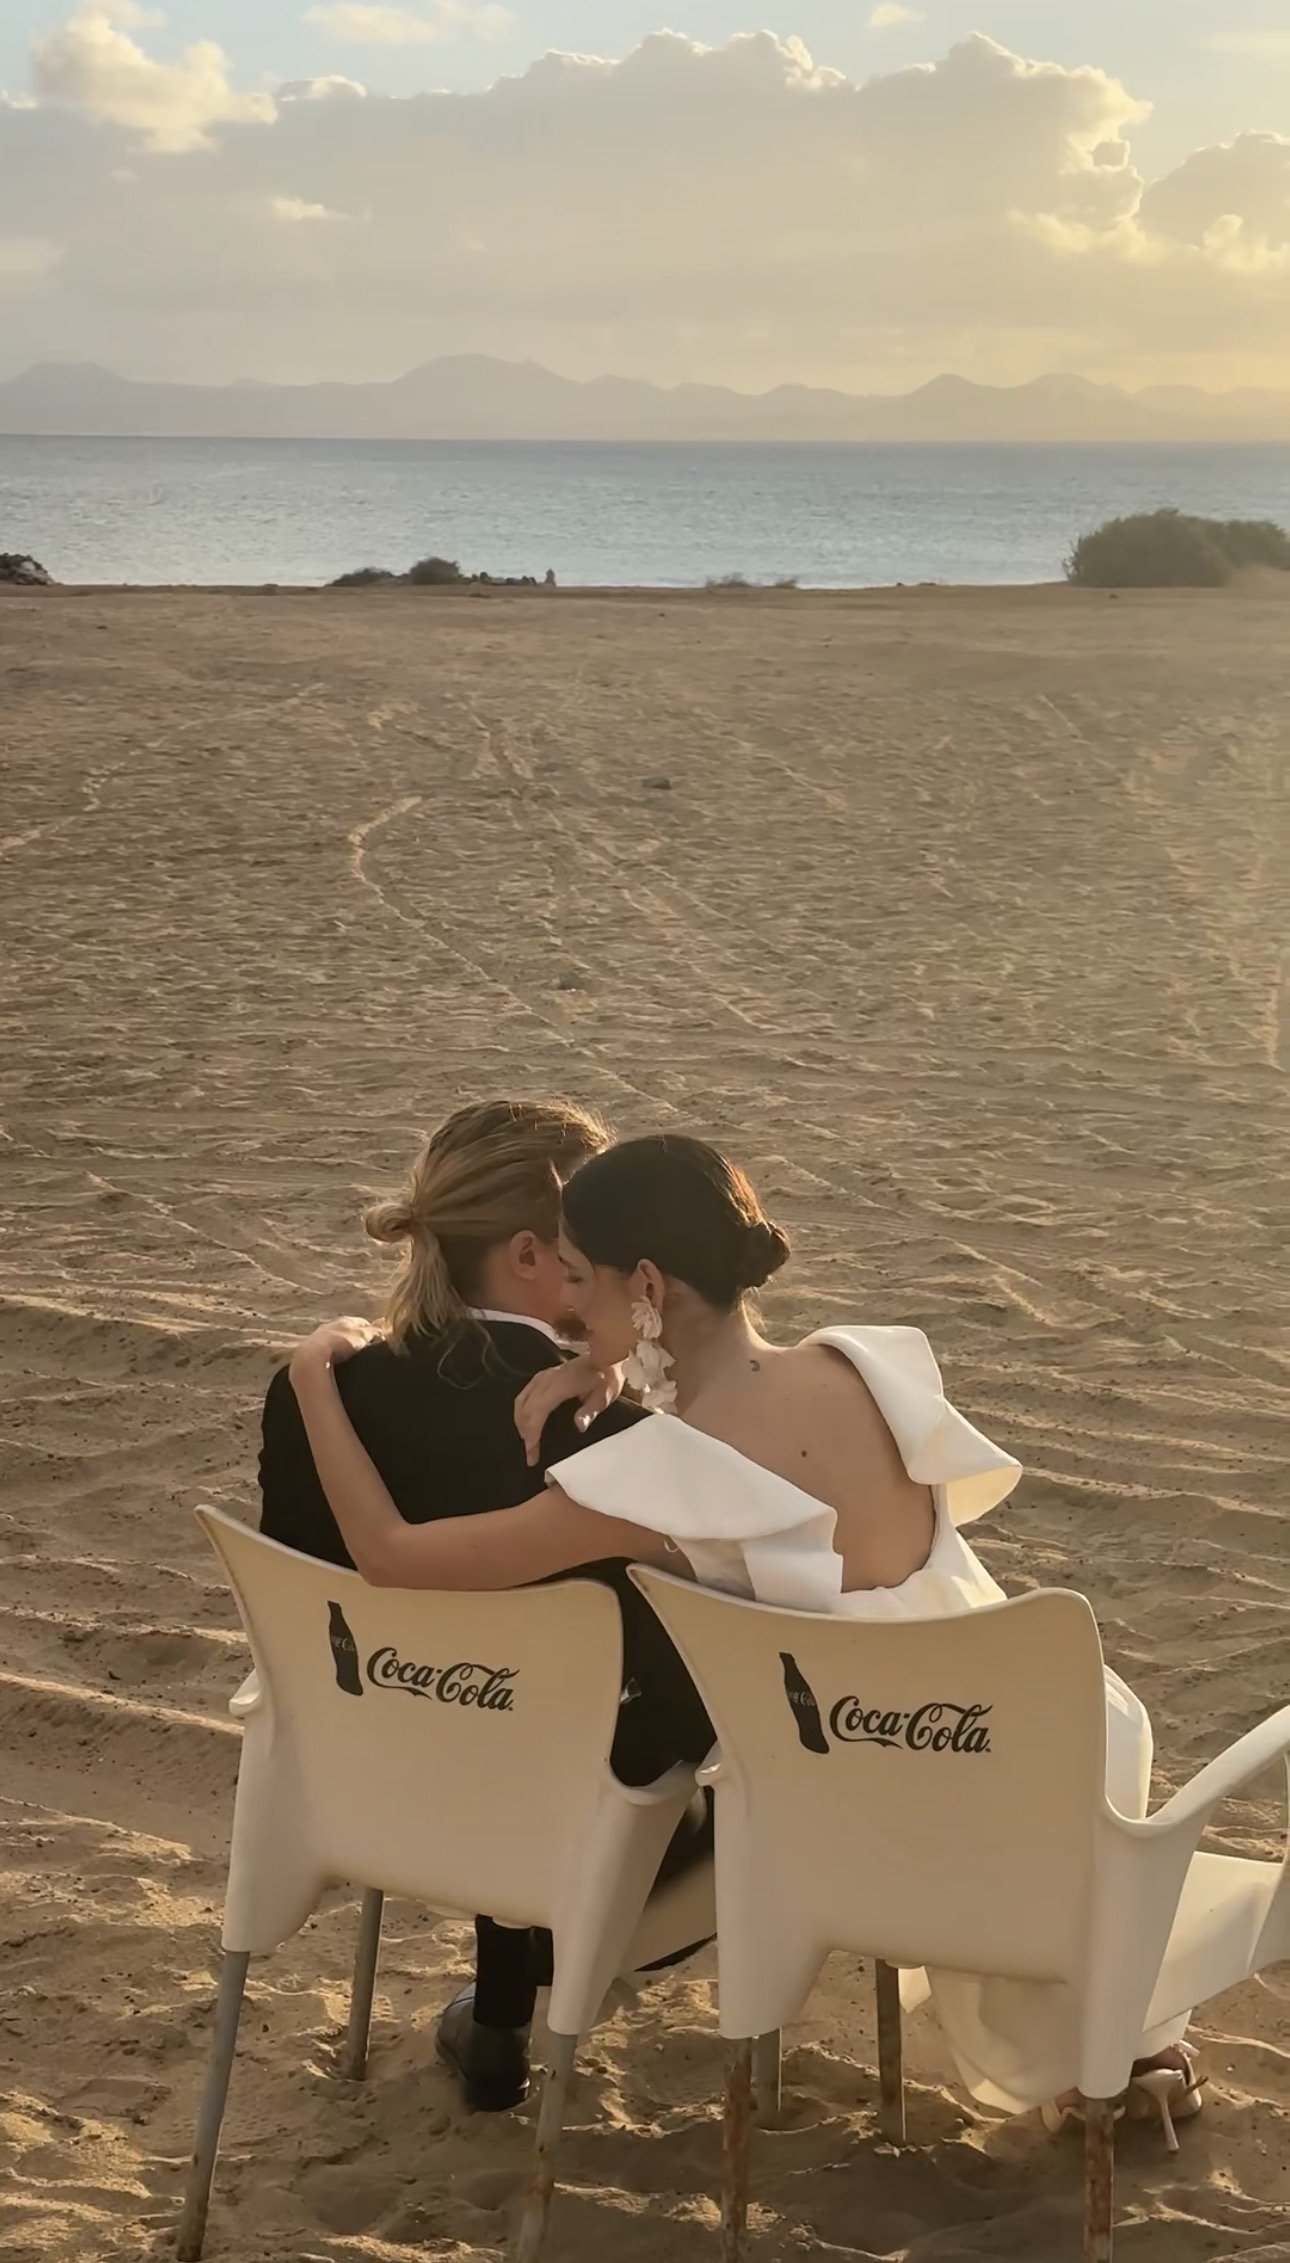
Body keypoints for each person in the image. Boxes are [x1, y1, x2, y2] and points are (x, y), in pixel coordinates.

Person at [287, 1131, 1202, 2142]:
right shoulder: (865, 1367)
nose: (567, 1309)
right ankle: (1127, 2044)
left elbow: (393, 1557)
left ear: (646, 1284)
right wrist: (611, 1364)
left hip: (885, 1804)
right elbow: (753, 1436)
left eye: (580, 1280)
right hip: (1052, 1741)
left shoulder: (650, 1480)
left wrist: (314, 1378)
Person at [258, 1100, 713, 2111]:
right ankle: (550, 1966)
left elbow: (315, 1582)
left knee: (513, 1685)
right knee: (642, 1704)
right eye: (599, 1239)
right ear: (531, 1255)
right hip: (548, 1805)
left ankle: (501, 2008)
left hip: (363, 1768)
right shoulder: (601, 1434)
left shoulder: (314, 1390)